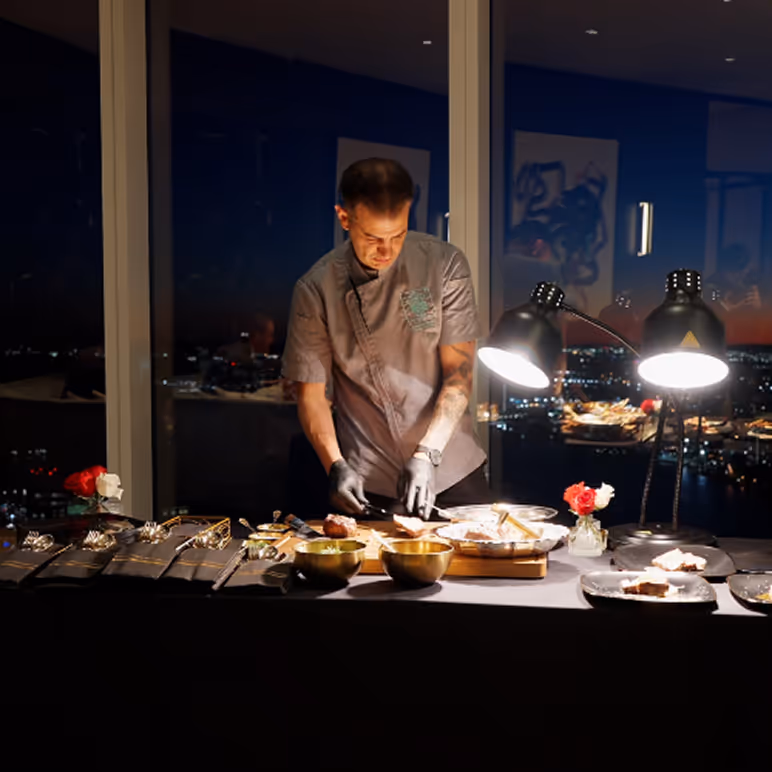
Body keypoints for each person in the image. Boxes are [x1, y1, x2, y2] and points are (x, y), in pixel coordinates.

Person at [282, 158, 488, 519]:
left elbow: (460, 376)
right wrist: (335, 465)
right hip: (369, 478)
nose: (386, 250)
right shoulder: (316, 289)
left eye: (398, 236)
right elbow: (311, 395)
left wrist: (427, 453)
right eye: (373, 238)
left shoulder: (445, 265)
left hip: (451, 468)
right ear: (344, 219)